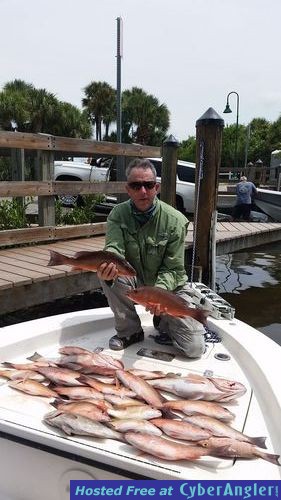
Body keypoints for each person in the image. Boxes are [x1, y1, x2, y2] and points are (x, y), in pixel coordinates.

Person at [97, 158, 206, 359]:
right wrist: (109, 267)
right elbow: (114, 250)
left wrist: (158, 294)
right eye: (136, 186)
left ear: (156, 187)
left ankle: (163, 320)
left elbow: (173, 269)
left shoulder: (175, 220)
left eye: (148, 185)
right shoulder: (117, 215)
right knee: (109, 275)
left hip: (170, 287)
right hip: (136, 280)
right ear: (127, 189)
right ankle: (130, 331)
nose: (143, 191)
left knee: (194, 349)